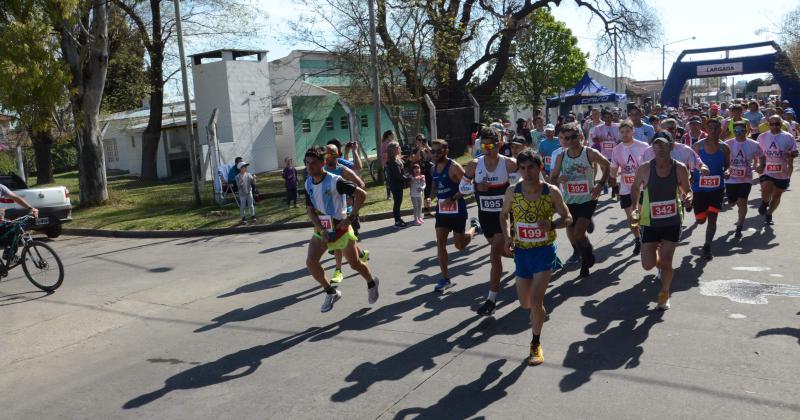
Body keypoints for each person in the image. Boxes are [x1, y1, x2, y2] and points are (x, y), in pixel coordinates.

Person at [500, 150, 572, 366]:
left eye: (531, 167)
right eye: (522, 168)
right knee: (525, 303)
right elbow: (504, 214)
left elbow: (568, 218)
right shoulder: (513, 191)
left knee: (536, 301)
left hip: (543, 251)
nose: (527, 172)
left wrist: (552, 224)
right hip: (522, 252)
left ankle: (535, 343)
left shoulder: (551, 192)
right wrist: (507, 237)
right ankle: (538, 312)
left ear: (540, 167)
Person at [303, 146, 379, 313]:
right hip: (323, 228)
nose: (309, 167)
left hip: (341, 229)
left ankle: (371, 282)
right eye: (307, 163)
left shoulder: (335, 180)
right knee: (311, 262)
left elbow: (362, 194)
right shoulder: (308, 182)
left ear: (323, 163)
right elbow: (309, 209)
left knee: (355, 264)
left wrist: (350, 218)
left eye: (313, 163)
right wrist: (319, 227)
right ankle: (331, 292)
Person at [631, 131, 693, 310]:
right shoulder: (644, 168)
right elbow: (635, 188)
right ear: (653, 147)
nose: (660, 148)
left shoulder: (679, 167)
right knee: (647, 265)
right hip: (649, 221)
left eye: (664, 144)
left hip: (672, 221)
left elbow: (686, 190)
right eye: (656, 144)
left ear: (671, 146)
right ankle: (656, 251)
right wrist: (635, 207)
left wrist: (688, 197)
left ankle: (665, 294)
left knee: (666, 262)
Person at [461, 126, 518, 315]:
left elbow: (525, 183)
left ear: (500, 144)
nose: (486, 148)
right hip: (485, 217)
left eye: (491, 145)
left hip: (505, 216)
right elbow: (463, 188)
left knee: (494, 254)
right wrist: (477, 187)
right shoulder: (474, 165)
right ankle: (530, 258)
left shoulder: (509, 163)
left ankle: (491, 300)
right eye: (483, 145)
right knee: (503, 253)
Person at [550, 122, 611, 277]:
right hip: (569, 200)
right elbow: (553, 178)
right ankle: (586, 252)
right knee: (572, 234)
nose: (567, 141)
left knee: (578, 233)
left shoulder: (589, 153)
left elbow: (607, 164)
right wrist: (559, 179)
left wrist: (601, 184)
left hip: (588, 199)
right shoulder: (561, 156)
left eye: (571, 137)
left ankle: (586, 259)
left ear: (579, 137)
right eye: (563, 138)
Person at [430, 139, 478, 292]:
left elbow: (468, 186)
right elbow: (435, 185)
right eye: (433, 151)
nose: (435, 154)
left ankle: (474, 229)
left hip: (457, 210)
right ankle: (445, 278)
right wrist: (429, 197)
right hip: (442, 212)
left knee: (460, 246)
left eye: (439, 151)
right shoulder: (434, 168)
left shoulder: (454, 167)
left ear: (446, 151)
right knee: (440, 243)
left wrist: (452, 199)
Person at [323, 144, 369, 283]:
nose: (327, 156)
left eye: (331, 153)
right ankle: (361, 254)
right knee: (343, 241)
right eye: (326, 154)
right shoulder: (323, 170)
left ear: (337, 155)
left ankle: (338, 271)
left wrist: (350, 196)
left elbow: (361, 185)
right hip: (329, 213)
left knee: (339, 242)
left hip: (344, 212)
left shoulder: (342, 170)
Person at [690, 119, 730, 259]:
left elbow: (727, 165)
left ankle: (707, 246)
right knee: (701, 220)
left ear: (720, 130)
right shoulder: (697, 147)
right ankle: (700, 212)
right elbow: (690, 165)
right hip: (699, 189)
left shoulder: (724, 148)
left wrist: (727, 171)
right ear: (706, 129)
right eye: (710, 128)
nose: (713, 130)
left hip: (717, 188)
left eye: (716, 128)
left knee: (713, 218)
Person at [610, 119, 649, 255]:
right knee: (631, 218)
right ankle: (638, 239)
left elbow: (650, 166)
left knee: (640, 216)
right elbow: (613, 169)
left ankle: (645, 237)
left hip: (643, 188)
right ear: (619, 133)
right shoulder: (616, 150)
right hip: (626, 188)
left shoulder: (643, 146)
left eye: (627, 131)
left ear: (633, 131)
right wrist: (612, 181)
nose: (625, 134)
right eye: (622, 132)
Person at [724, 120, 764, 238]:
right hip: (731, 178)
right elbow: (722, 159)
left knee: (743, 202)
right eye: (736, 131)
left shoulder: (753, 144)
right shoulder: (727, 144)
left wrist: (759, 165)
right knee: (732, 203)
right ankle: (733, 200)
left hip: (746, 178)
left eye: (742, 130)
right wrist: (725, 169)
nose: (739, 133)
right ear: (733, 131)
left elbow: (761, 156)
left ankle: (739, 226)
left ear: (746, 131)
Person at [757, 115, 798, 225]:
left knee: (777, 195)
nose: (774, 126)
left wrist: (791, 154)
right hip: (767, 169)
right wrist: (758, 164)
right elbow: (758, 153)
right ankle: (765, 202)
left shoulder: (788, 137)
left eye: (777, 124)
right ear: (768, 124)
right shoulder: (762, 137)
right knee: (766, 187)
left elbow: (795, 152)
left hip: (782, 171)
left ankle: (769, 213)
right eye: (772, 124)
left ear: (782, 124)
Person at [386, 141, 407, 228]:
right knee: (397, 203)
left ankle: (398, 219)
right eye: (398, 147)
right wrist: (409, 178)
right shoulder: (393, 162)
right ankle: (397, 221)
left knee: (398, 202)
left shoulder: (396, 159)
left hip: (397, 185)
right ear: (393, 150)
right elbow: (398, 176)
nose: (400, 148)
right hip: (396, 186)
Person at [380, 131, 395, 200]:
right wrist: (389, 153)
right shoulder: (384, 144)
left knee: (394, 179)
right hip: (387, 165)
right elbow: (382, 154)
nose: (393, 136)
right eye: (392, 135)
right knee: (389, 180)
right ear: (388, 135)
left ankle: (395, 193)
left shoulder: (394, 143)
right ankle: (389, 195)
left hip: (395, 164)